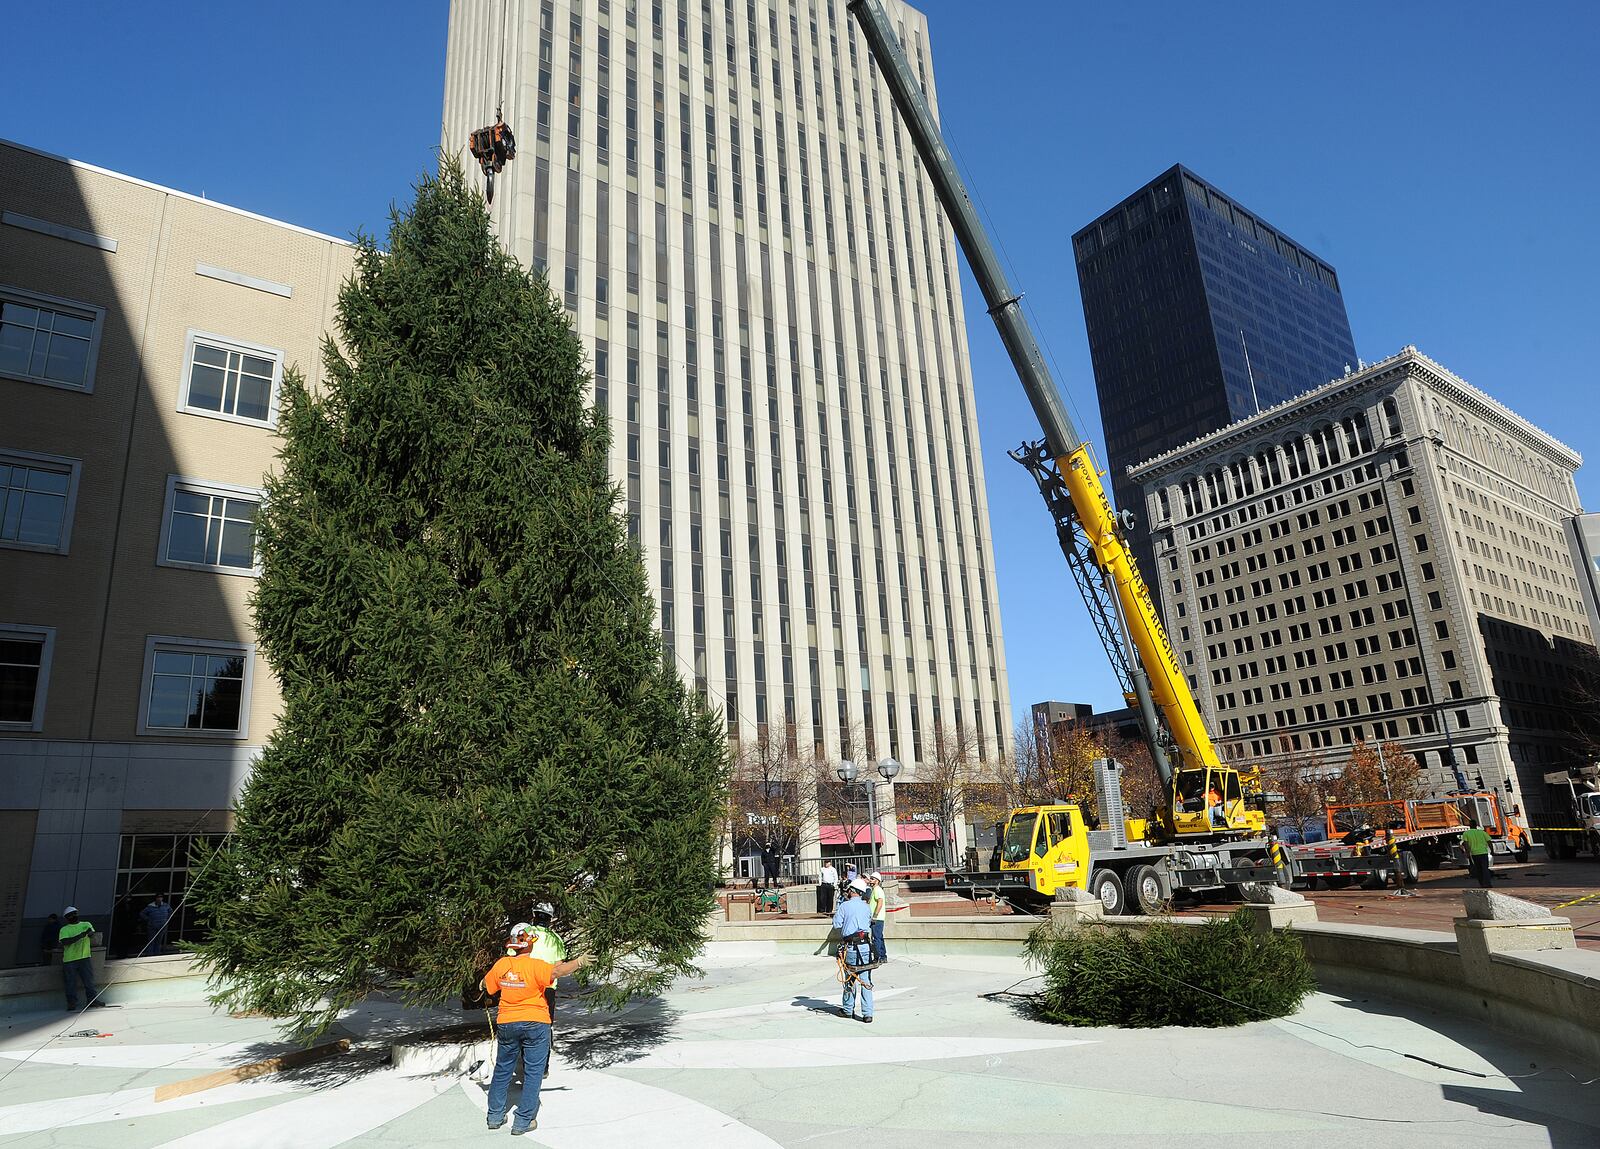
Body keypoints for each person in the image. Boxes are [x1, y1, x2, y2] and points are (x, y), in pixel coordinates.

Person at [482, 922, 589, 1136]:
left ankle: (494, 1116)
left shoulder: (502, 965)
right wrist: (578, 962)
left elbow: (488, 985)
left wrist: (483, 984)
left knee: (503, 1069)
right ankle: (523, 1121)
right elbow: (558, 970)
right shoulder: (537, 966)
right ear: (530, 944)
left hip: (507, 1023)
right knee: (533, 1072)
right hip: (536, 1023)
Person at [525, 904, 566, 1077]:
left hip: (525, 986)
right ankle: (543, 1067)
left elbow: (512, 956)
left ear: (534, 915)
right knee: (544, 1027)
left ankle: (526, 1065)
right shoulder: (556, 939)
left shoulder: (524, 932)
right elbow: (559, 967)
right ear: (550, 919)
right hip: (547, 989)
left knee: (524, 1024)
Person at [831, 878, 875, 1023]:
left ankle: (848, 1009)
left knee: (850, 979)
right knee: (865, 980)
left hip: (851, 948)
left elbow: (837, 924)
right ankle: (868, 1013)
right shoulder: (866, 907)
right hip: (866, 947)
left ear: (852, 890)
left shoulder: (844, 906)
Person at [58, 908, 98, 1010]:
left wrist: (89, 933)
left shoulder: (86, 924)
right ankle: (71, 1003)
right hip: (69, 960)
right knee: (70, 982)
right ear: (67, 918)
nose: (72, 917)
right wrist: (80, 936)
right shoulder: (64, 929)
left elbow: (91, 933)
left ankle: (92, 1000)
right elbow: (64, 941)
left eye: (74, 914)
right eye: (70, 916)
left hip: (84, 957)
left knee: (89, 981)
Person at [1460, 818, 1493, 888]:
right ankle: (1487, 883)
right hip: (1483, 853)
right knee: (1485, 869)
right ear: (1476, 825)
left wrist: (1467, 852)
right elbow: (1489, 841)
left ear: (1469, 826)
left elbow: (1465, 843)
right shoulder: (1482, 832)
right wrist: (1492, 850)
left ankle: (1482, 884)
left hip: (1474, 854)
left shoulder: (1466, 833)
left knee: (1478, 869)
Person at [867, 871, 889, 965]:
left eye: (872, 879)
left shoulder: (877, 890)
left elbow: (880, 903)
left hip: (877, 918)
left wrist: (875, 916)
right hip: (877, 918)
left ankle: (878, 957)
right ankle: (883, 956)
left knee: (876, 938)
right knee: (879, 937)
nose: (870, 880)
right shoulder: (875, 890)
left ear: (877, 881)